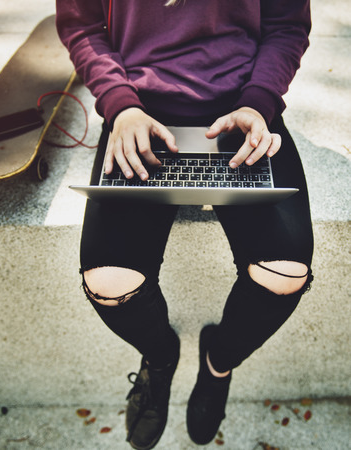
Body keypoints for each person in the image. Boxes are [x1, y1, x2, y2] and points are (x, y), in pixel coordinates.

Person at [56, 0, 314, 448]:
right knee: (109, 282)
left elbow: (287, 25)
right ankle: (160, 359)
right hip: (139, 111)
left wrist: (259, 102)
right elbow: (82, 26)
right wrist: (121, 106)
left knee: (285, 272)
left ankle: (218, 362)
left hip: (241, 105)